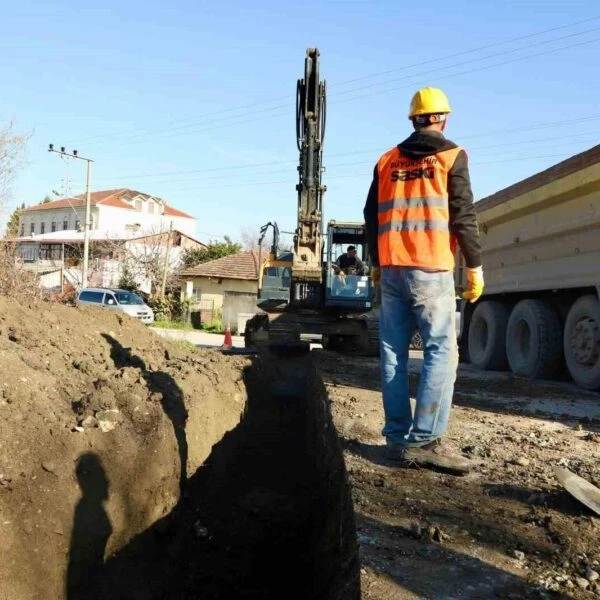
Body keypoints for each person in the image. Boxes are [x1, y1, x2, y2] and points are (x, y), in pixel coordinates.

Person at [363, 87, 484, 474]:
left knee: (393, 352)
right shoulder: (451, 157)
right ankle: (427, 440)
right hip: (430, 268)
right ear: (443, 118)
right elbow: (463, 215)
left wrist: (377, 263)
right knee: (441, 352)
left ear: (414, 118)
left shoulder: (385, 161)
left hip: (394, 269)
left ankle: (398, 438)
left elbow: (371, 216)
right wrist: (476, 266)